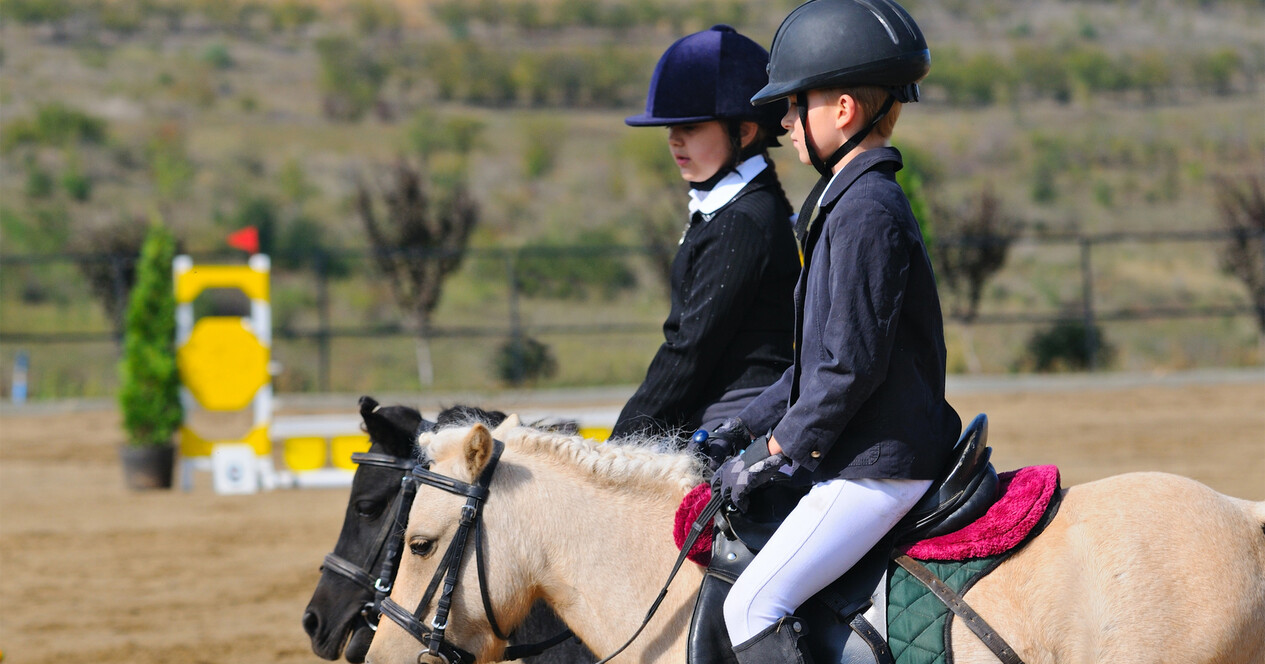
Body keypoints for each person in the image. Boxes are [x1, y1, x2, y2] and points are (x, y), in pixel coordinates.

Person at [707, 1, 963, 661]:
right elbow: (812, 367)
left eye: (794, 106)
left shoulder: (865, 212)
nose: (784, 122)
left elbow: (848, 370)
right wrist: (735, 431)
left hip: (876, 468)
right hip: (857, 457)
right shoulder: (845, 203)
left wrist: (774, 452)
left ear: (844, 110)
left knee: (751, 606)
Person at [609, 25, 800, 447]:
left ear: (745, 132)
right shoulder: (730, 208)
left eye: (691, 127)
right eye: (670, 129)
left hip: (739, 413)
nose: (675, 139)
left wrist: (620, 444)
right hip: (712, 403)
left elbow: (690, 349)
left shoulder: (742, 222)